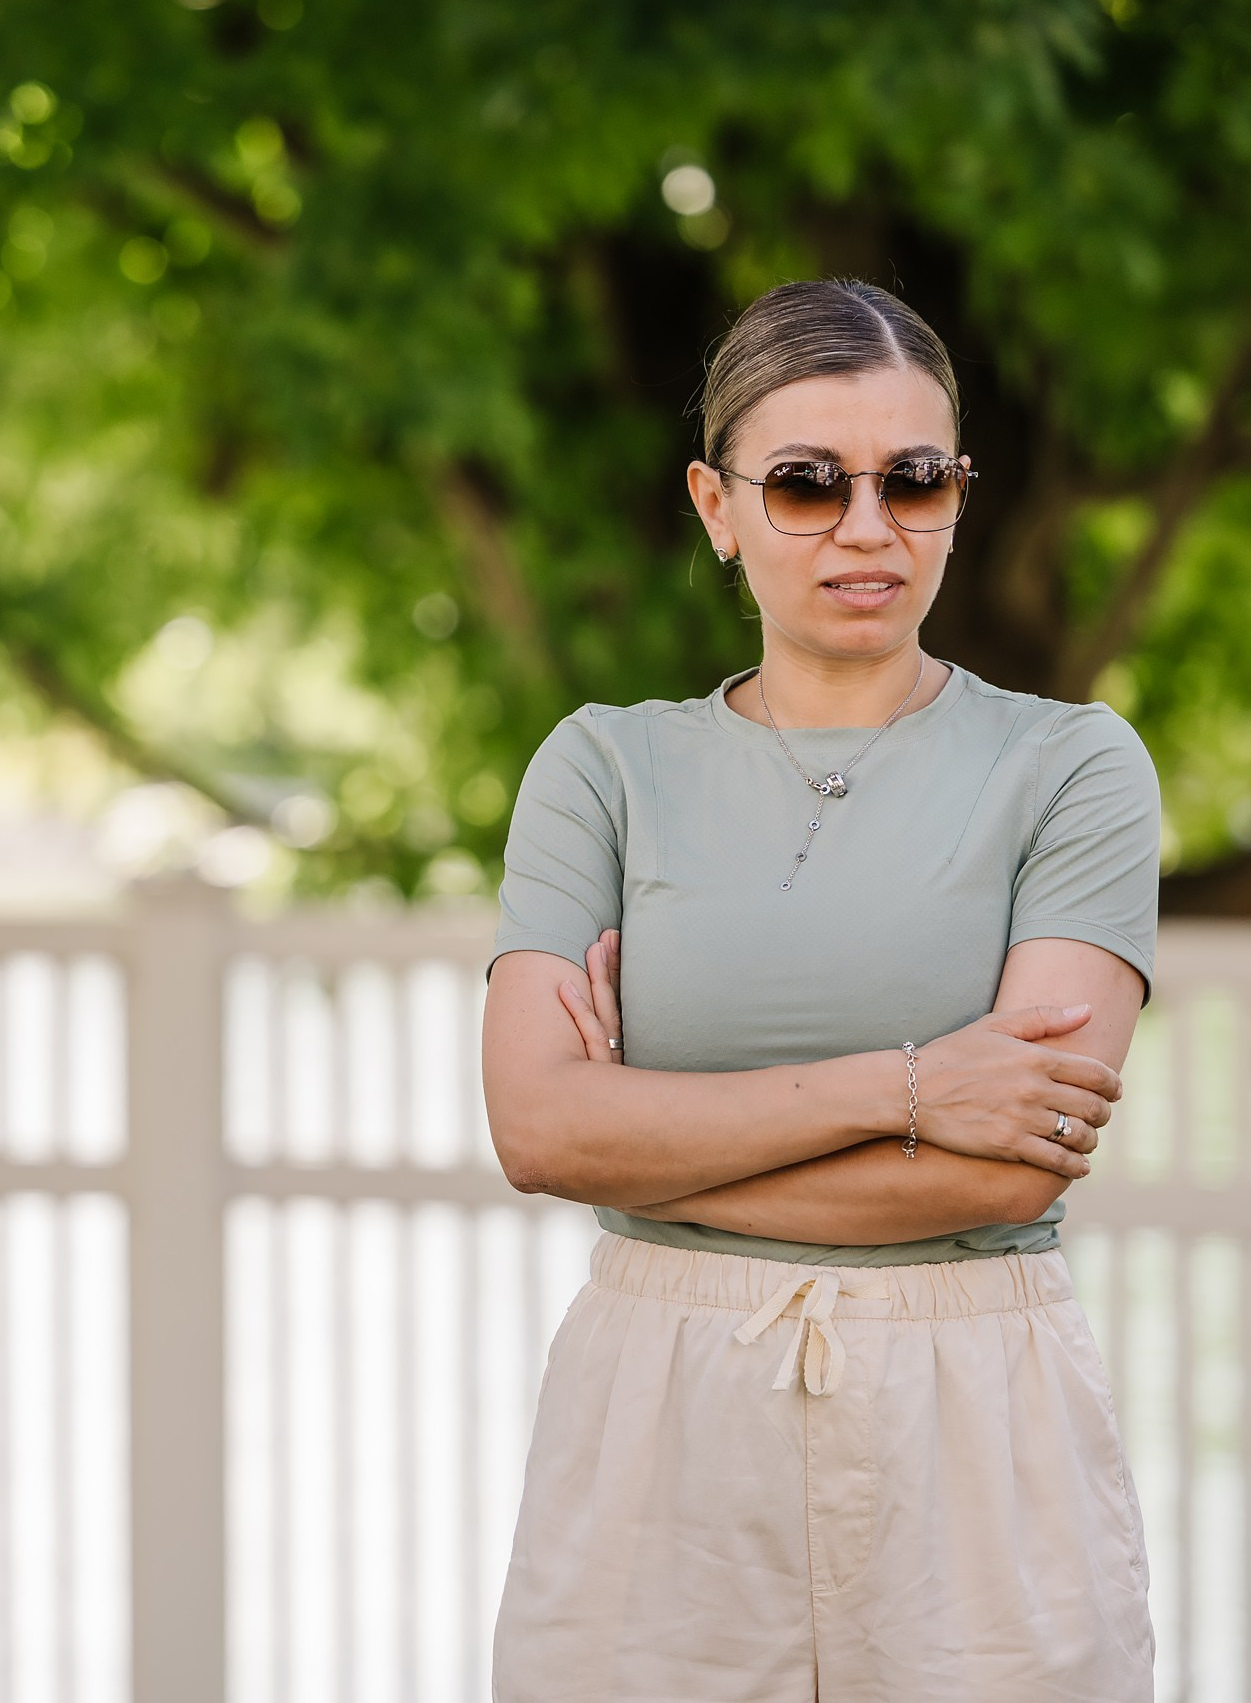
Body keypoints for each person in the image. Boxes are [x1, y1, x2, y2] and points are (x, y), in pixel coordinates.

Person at [482, 279, 1159, 1700]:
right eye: (806, 484)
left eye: (915, 480)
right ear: (716, 506)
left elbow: (1007, 1172)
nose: (868, 527)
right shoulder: (602, 770)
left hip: (972, 1415)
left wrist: (651, 1148)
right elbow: (539, 1132)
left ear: (960, 497)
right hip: (654, 1423)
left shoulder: (1073, 769)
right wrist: (912, 1091)